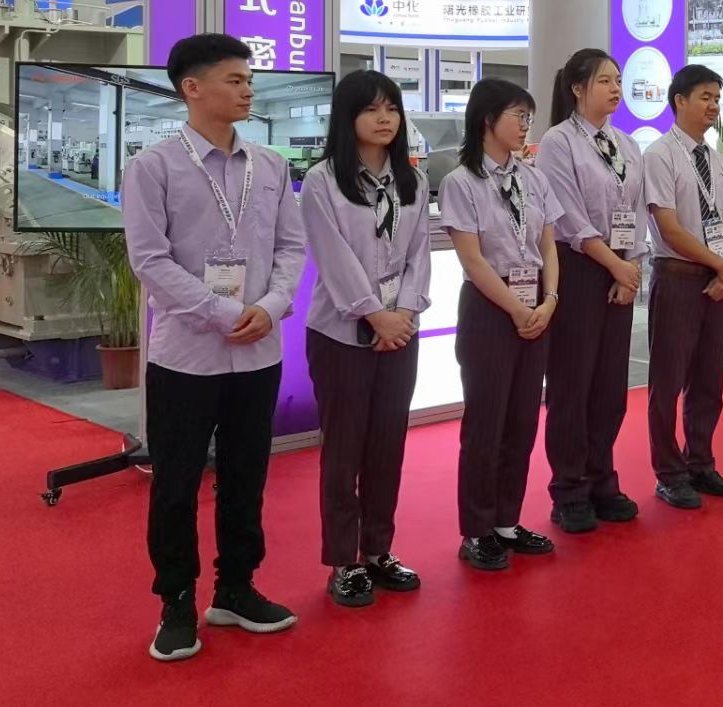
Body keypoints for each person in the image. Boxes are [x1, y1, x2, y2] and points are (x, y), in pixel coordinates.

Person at [124, 34, 307, 661]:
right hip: (186, 356)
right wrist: (225, 312)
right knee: (175, 483)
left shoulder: (271, 165)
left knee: (246, 476)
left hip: (258, 350)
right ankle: (176, 602)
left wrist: (272, 305)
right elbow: (151, 260)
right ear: (192, 88)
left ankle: (236, 589)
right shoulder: (153, 166)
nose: (248, 89)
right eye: (234, 79)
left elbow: (291, 247)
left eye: (248, 79)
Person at [301, 70, 430, 608]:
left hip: (400, 332)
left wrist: (404, 312)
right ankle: (344, 560)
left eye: (392, 109)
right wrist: (376, 315)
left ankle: (378, 550)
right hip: (341, 334)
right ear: (347, 116)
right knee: (344, 450)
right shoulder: (323, 181)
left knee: (387, 446)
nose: (384, 119)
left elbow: (419, 253)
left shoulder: (413, 180)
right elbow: (333, 259)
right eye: (372, 109)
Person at [440, 78, 562, 571]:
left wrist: (550, 300)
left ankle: (507, 521)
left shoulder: (533, 178)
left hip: (537, 306)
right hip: (491, 310)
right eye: (518, 116)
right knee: (485, 424)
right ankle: (476, 529)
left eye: (529, 117)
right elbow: (472, 260)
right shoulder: (461, 182)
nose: (525, 125)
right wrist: (516, 308)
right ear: (487, 119)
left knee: (522, 420)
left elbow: (548, 244)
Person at [536, 49, 647, 533]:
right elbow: (568, 216)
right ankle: (569, 488)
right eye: (605, 80)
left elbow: (636, 211)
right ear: (578, 89)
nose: (616, 88)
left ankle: (603, 479)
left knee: (609, 388)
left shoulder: (627, 144)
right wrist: (614, 265)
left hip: (620, 268)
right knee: (572, 385)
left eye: (618, 80)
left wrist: (630, 266)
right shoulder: (558, 141)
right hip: (578, 268)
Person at [643, 65, 723, 509]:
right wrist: (722, 265)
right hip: (679, 276)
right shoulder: (660, 154)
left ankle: (700, 461)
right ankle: (669, 472)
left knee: (708, 379)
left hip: (716, 278)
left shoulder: (715, 157)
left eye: (716, 98)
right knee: (667, 382)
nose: (713, 106)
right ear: (679, 100)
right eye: (705, 97)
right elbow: (668, 227)